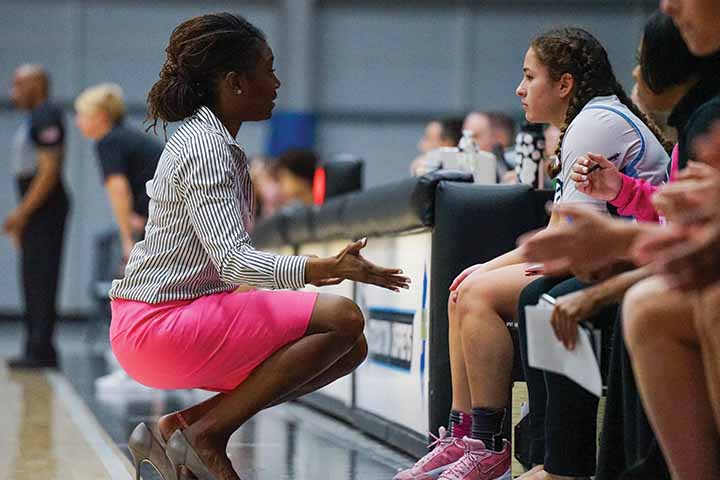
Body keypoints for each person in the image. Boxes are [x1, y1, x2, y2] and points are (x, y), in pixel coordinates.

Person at [108, 13, 410, 480]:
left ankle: (181, 427)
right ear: (234, 83)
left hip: (160, 318)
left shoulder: (205, 139)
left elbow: (221, 266)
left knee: (349, 348)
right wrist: (321, 268)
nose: (277, 81)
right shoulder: (208, 148)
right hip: (157, 324)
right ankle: (206, 434)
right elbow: (233, 262)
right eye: (267, 69)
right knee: (343, 318)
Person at [394, 28, 670, 480]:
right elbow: (561, 230)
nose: (520, 90)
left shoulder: (594, 123)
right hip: (612, 256)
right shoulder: (583, 122)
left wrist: (486, 271)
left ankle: (496, 444)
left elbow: (566, 238)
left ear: (564, 84)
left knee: (486, 296)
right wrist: (483, 267)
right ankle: (466, 435)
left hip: (635, 261)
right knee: (464, 289)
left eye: (529, 77)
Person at [4, 64, 70, 369]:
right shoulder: (36, 117)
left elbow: (48, 172)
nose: (12, 91)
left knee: (41, 278)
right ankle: (36, 346)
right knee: (32, 278)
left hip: (45, 209)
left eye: (19, 85)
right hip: (36, 210)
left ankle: (41, 350)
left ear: (37, 85)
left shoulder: (46, 115)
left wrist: (21, 214)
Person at [75, 83, 163, 261]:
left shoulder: (109, 142)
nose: (77, 122)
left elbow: (118, 190)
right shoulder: (125, 137)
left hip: (162, 213)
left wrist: (127, 240)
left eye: (82, 115)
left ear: (100, 117)